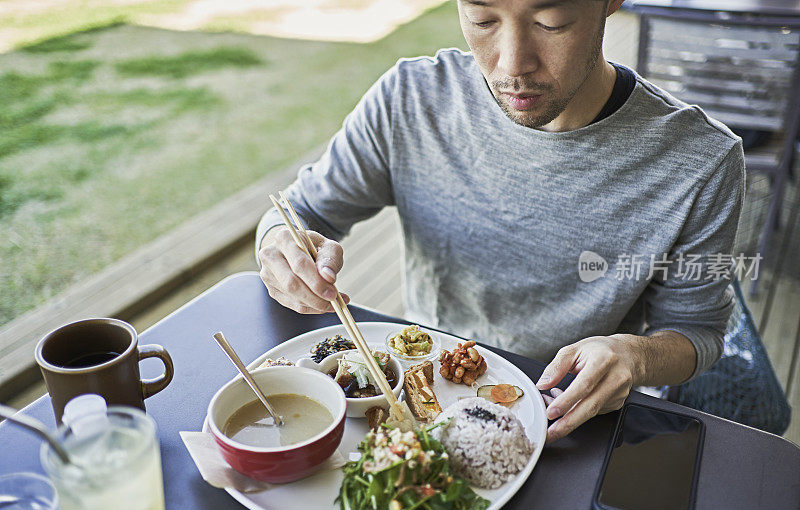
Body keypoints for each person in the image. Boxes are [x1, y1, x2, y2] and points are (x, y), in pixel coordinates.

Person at [255, 0, 744, 443]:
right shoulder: (413, 99)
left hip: (570, 420)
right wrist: (282, 245)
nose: (512, 65)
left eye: (551, 23)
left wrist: (637, 356)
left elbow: (695, 332)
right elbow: (302, 211)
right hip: (424, 398)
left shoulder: (699, 160)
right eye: (483, 18)